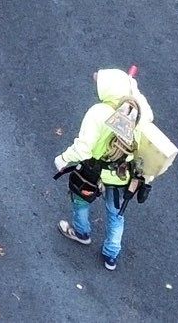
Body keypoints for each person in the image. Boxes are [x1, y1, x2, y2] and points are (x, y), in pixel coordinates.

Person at [54, 68, 159, 272]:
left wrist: (63, 159)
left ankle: (82, 232)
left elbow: (83, 148)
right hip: (121, 176)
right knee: (116, 214)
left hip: (92, 173)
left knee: (81, 201)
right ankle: (111, 255)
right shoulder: (140, 118)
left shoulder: (99, 113)